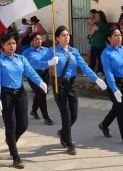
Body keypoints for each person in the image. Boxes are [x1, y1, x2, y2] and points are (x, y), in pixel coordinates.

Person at [40, 26, 107, 155]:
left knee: (74, 115)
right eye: (63, 35)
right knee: (66, 116)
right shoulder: (52, 50)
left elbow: (84, 66)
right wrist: (49, 62)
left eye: (68, 35)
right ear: (58, 38)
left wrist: (96, 79)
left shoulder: (74, 51)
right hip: (59, 85)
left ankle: (62, 132)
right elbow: (38, 62)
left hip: (72, 84)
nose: (66, 37)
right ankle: (69, 143)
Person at [0, 32, 49, 169]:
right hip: (6, 95)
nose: (12, 46)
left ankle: (10, 140)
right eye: (8, 44)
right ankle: (15, 157)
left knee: (23, 124)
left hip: (20, 93)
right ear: (3, 46)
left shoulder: (21, 58)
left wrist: (41, 82)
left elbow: (30, 72)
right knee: (11, 126)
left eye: (13, 43)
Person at [23, 33, 54, 125]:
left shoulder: (46, 50)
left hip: (45, 74)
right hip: (33, 75)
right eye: (36, 39)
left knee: (40, 93)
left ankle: (33, 110)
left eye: (40, 39)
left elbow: (52, 60)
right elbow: (26, 65)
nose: (39, 41)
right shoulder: (26, 52)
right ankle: (46, 117)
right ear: (32, 41)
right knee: (41, 93)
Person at [98, 26, 123, 141]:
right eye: (116, 36)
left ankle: (104, 125)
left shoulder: (122, 49)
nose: (119, 37)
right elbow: (108, 72)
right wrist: (114, 89)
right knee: (120, 108)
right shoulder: (106, 53)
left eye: (120, 35)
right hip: (113, 83)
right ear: (109, 38)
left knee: (117, 107)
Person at [89, 10, 108, 76]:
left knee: (93, 58)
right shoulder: (106, 24)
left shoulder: (97, 24)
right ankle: (100, 71)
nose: (95, 16)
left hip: (95, 44)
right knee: (101, 58)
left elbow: (91, 33)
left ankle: (91, 71)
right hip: (102, 44)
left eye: (97, 15)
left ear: (100, 16)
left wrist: (89, 36)